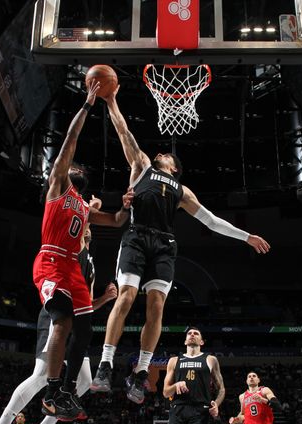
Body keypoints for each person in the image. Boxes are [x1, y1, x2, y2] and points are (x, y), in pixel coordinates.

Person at [0, 81, 132, 424]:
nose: (71, 166)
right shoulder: (58, 189)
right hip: (50, 267)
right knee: (40, 371)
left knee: (83, 377)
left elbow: (115, 219)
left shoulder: (84, 216)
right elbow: (69, 144)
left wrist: (128, 203)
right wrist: (87, 105)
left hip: (70, 277)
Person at [90, 86, 270, 404]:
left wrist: (247, 236)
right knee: (128, 295)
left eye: (167, 155)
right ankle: (105, 364)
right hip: (136, 237)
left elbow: (212, 222)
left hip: (164, 244)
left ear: (173, 167)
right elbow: (123, 131)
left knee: (156, 305)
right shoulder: (142, 165)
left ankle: (140, 372)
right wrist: (112, 100)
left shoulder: (182, 191)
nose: (161, 153)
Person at [0, 220, 122, 424]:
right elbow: (76, 223)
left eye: (89, 227)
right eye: (84, 225)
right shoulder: (73, 245)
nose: (87, 229)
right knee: (42, 376)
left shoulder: (90, 262)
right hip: (57, 314)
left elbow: (86, 303)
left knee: (85, 380)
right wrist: (86, 211)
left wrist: (105, 299)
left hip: (76, 318)